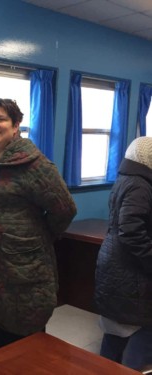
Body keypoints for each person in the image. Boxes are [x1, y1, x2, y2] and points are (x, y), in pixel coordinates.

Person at [0, 98, 77, 354]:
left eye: (2, 119)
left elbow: (65, 208)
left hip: (21, 271)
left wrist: (38, 236)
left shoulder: (33, 165)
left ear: (16, 126)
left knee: (25, 347)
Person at [94, 136, 152, 371]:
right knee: (143, 331)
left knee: (115, 332)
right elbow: (132, 231)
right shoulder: (141, 185)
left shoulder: (126, 179)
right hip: (131, 272)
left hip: (116, 266)